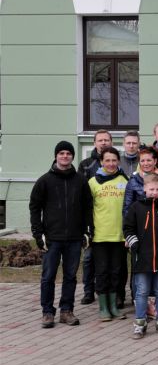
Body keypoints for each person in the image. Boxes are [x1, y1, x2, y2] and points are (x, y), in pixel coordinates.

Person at [30, 140, 92, 328]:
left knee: (70, 276)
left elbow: (87, 207)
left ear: (72, 156)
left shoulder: (80, 180)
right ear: (56, 156)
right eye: (61, 153)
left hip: (74, 238)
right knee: (48, 276)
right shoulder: (44, 181)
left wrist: (87, 231)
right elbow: (34, 207)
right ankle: (47, 312)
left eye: (68, 153)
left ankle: (66, 311)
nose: (65, 156)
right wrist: (38, 234)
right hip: (51, 239)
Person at [123, 174, 158, 339]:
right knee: (142, 292)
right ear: (144, 189)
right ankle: (140, 322)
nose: (154, 192)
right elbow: (127, 228)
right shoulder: (136, 207)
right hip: (141, 259)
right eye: (151, 189)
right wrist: (134, 244)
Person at [88, 146, 128, 322]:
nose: (111, 164)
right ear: (101, 162)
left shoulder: (124, 180)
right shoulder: (92, 182)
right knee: (102, 272)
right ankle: (103, 308)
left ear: (118, 161)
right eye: (107, 160)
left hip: (119, 236)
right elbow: (87, 209)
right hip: (100, 236)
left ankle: (113, 306)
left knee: (116, 272)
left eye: (114, 160)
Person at [78, 129, 112, 304]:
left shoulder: (114, 162)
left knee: (108, 260)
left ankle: (105, 290)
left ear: (111, 142)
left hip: (108, 218)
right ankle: (88, 291)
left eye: (106, 140)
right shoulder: (86, 165)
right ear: (94, 143)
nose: (103, 143)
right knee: (89, 257)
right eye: (100, 140)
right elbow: (80, 191)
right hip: (90, 218)